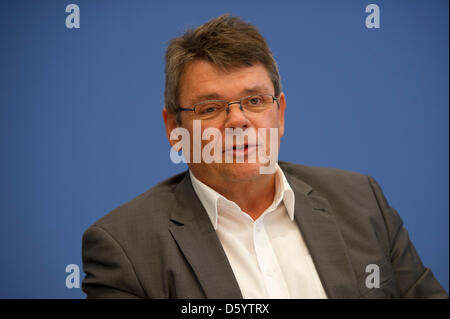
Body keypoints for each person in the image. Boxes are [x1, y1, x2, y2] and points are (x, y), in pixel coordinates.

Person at [81, 14, 448, 299]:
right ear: (174, 129)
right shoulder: (124, 249)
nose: (238, 121)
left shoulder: (362, 203)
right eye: (210, 108)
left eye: (255, 101)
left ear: (280, 113)